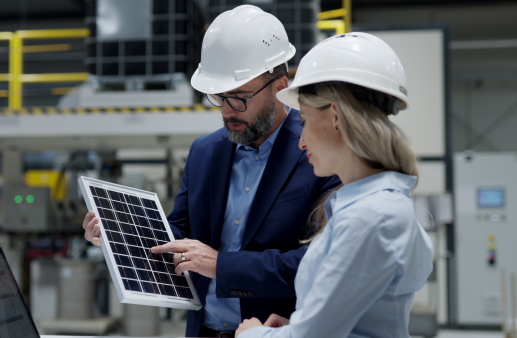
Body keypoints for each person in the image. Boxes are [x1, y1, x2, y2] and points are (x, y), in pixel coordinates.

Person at [83, 5, 340, 337]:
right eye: (218, 96)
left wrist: (222, 266)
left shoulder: (318, 153)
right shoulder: (204, 152)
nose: (228, 110)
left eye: (240, 97)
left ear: (279, 86)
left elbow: (318, 262)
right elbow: (176, 236)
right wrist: (119, 234)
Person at [234, 32, 434, 338]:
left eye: (303, 121)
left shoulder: (370, 216)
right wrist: (298, 325)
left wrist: (251, 334)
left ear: (336, 115)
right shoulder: (375, 206)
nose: (300, 142)